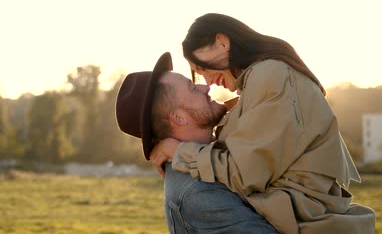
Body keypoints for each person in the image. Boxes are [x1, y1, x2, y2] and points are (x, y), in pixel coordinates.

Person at [149, 13, 376, 233]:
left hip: (306, 221)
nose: (208, 82)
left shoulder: (271, 73)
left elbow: (242, 172)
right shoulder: (264, 78)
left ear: (222, 42)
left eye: (202, 68)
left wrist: (178, 150)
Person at [116, 52, 279, 233]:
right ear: (179, 118)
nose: (206, 87)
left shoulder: (213, 154)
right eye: (193, 88)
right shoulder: (198, 192)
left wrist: (178, 149)